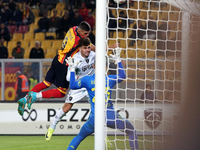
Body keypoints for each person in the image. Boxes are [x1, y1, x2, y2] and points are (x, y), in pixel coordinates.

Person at [67, 47, 139, 150]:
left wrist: (72, 69)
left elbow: (73, 85)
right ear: (106, 67)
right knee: (131, 130)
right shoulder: (109, 79)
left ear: (93, 66)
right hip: (110, 116)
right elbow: (122, 76)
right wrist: (118, 60)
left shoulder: (87, 79)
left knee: (79, 137)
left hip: (94, 118)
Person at [17, 21, 94, 116]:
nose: (87, 35)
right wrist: (109, 47)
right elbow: (91, 47)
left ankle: (24, 99)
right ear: (81, 31)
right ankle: (35, 96)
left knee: (46, 83)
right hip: (64, 64)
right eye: (85, 33)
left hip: (57, 58)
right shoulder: (78, 40)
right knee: (61, 92)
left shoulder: (73, 29)